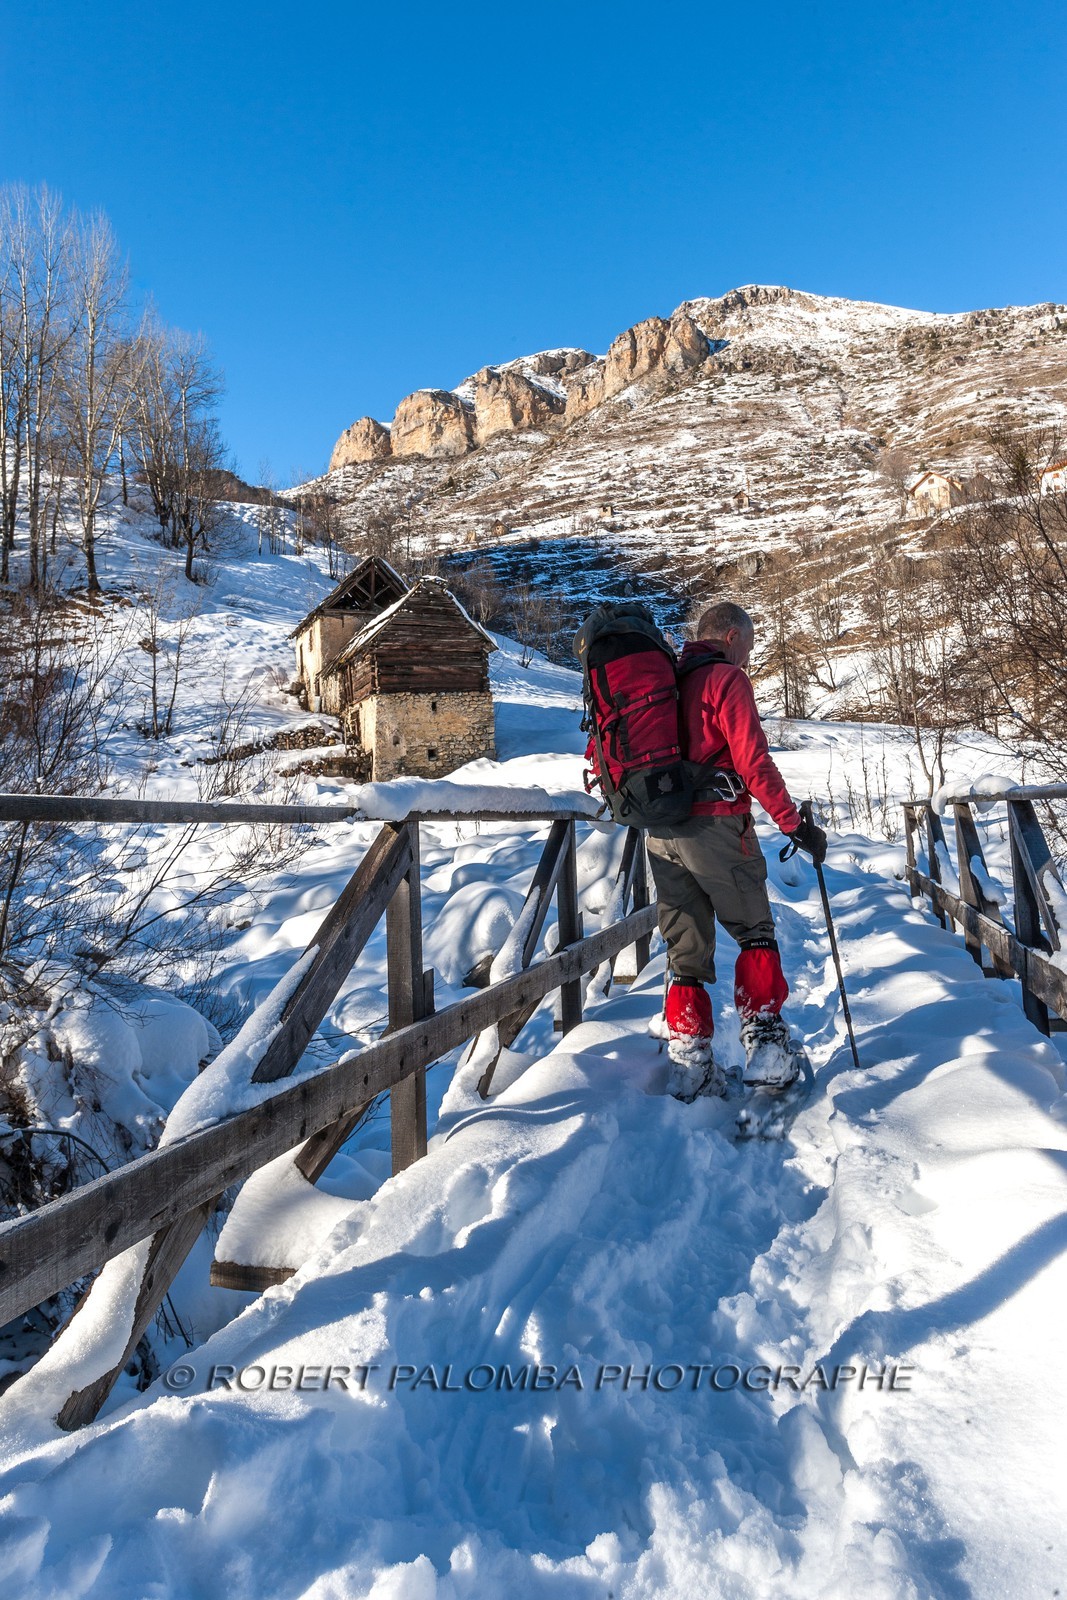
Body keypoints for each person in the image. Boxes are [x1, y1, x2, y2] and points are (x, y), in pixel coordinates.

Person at [646, 600, 826, 1098]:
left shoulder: (661, 682)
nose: (748, 657)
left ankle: (690, 1064)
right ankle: (767, 1050)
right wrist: (793, 824)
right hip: (719, 828)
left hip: (660, 834)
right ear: (730, 637)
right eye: (748, 646)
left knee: (685, 952)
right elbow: (754, 762)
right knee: (754, 933)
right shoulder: (726, 681)